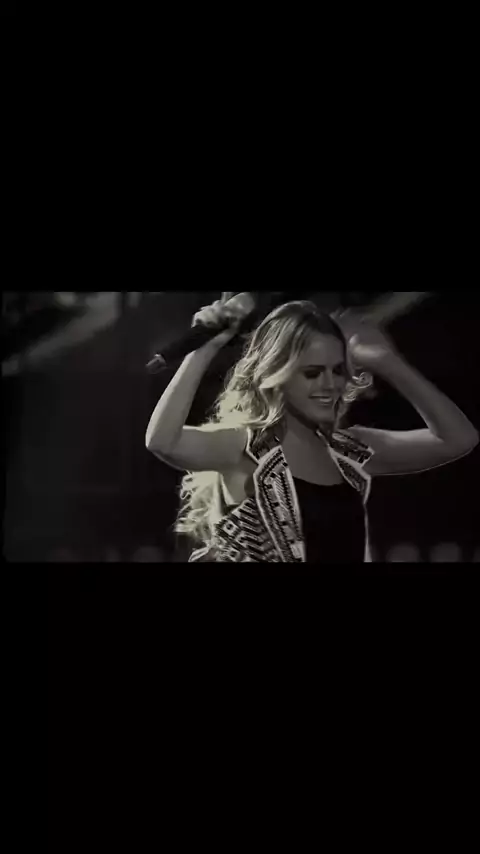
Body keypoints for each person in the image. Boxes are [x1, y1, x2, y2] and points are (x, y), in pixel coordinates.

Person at [145, 295, 479, 563]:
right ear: (277, 374)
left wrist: (388, 362)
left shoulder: (349, 451)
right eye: (312, 373)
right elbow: (163, 441)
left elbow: (458, 439)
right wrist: (204, 349)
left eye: (337, 370)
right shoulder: (246, 447)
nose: (329, 384)